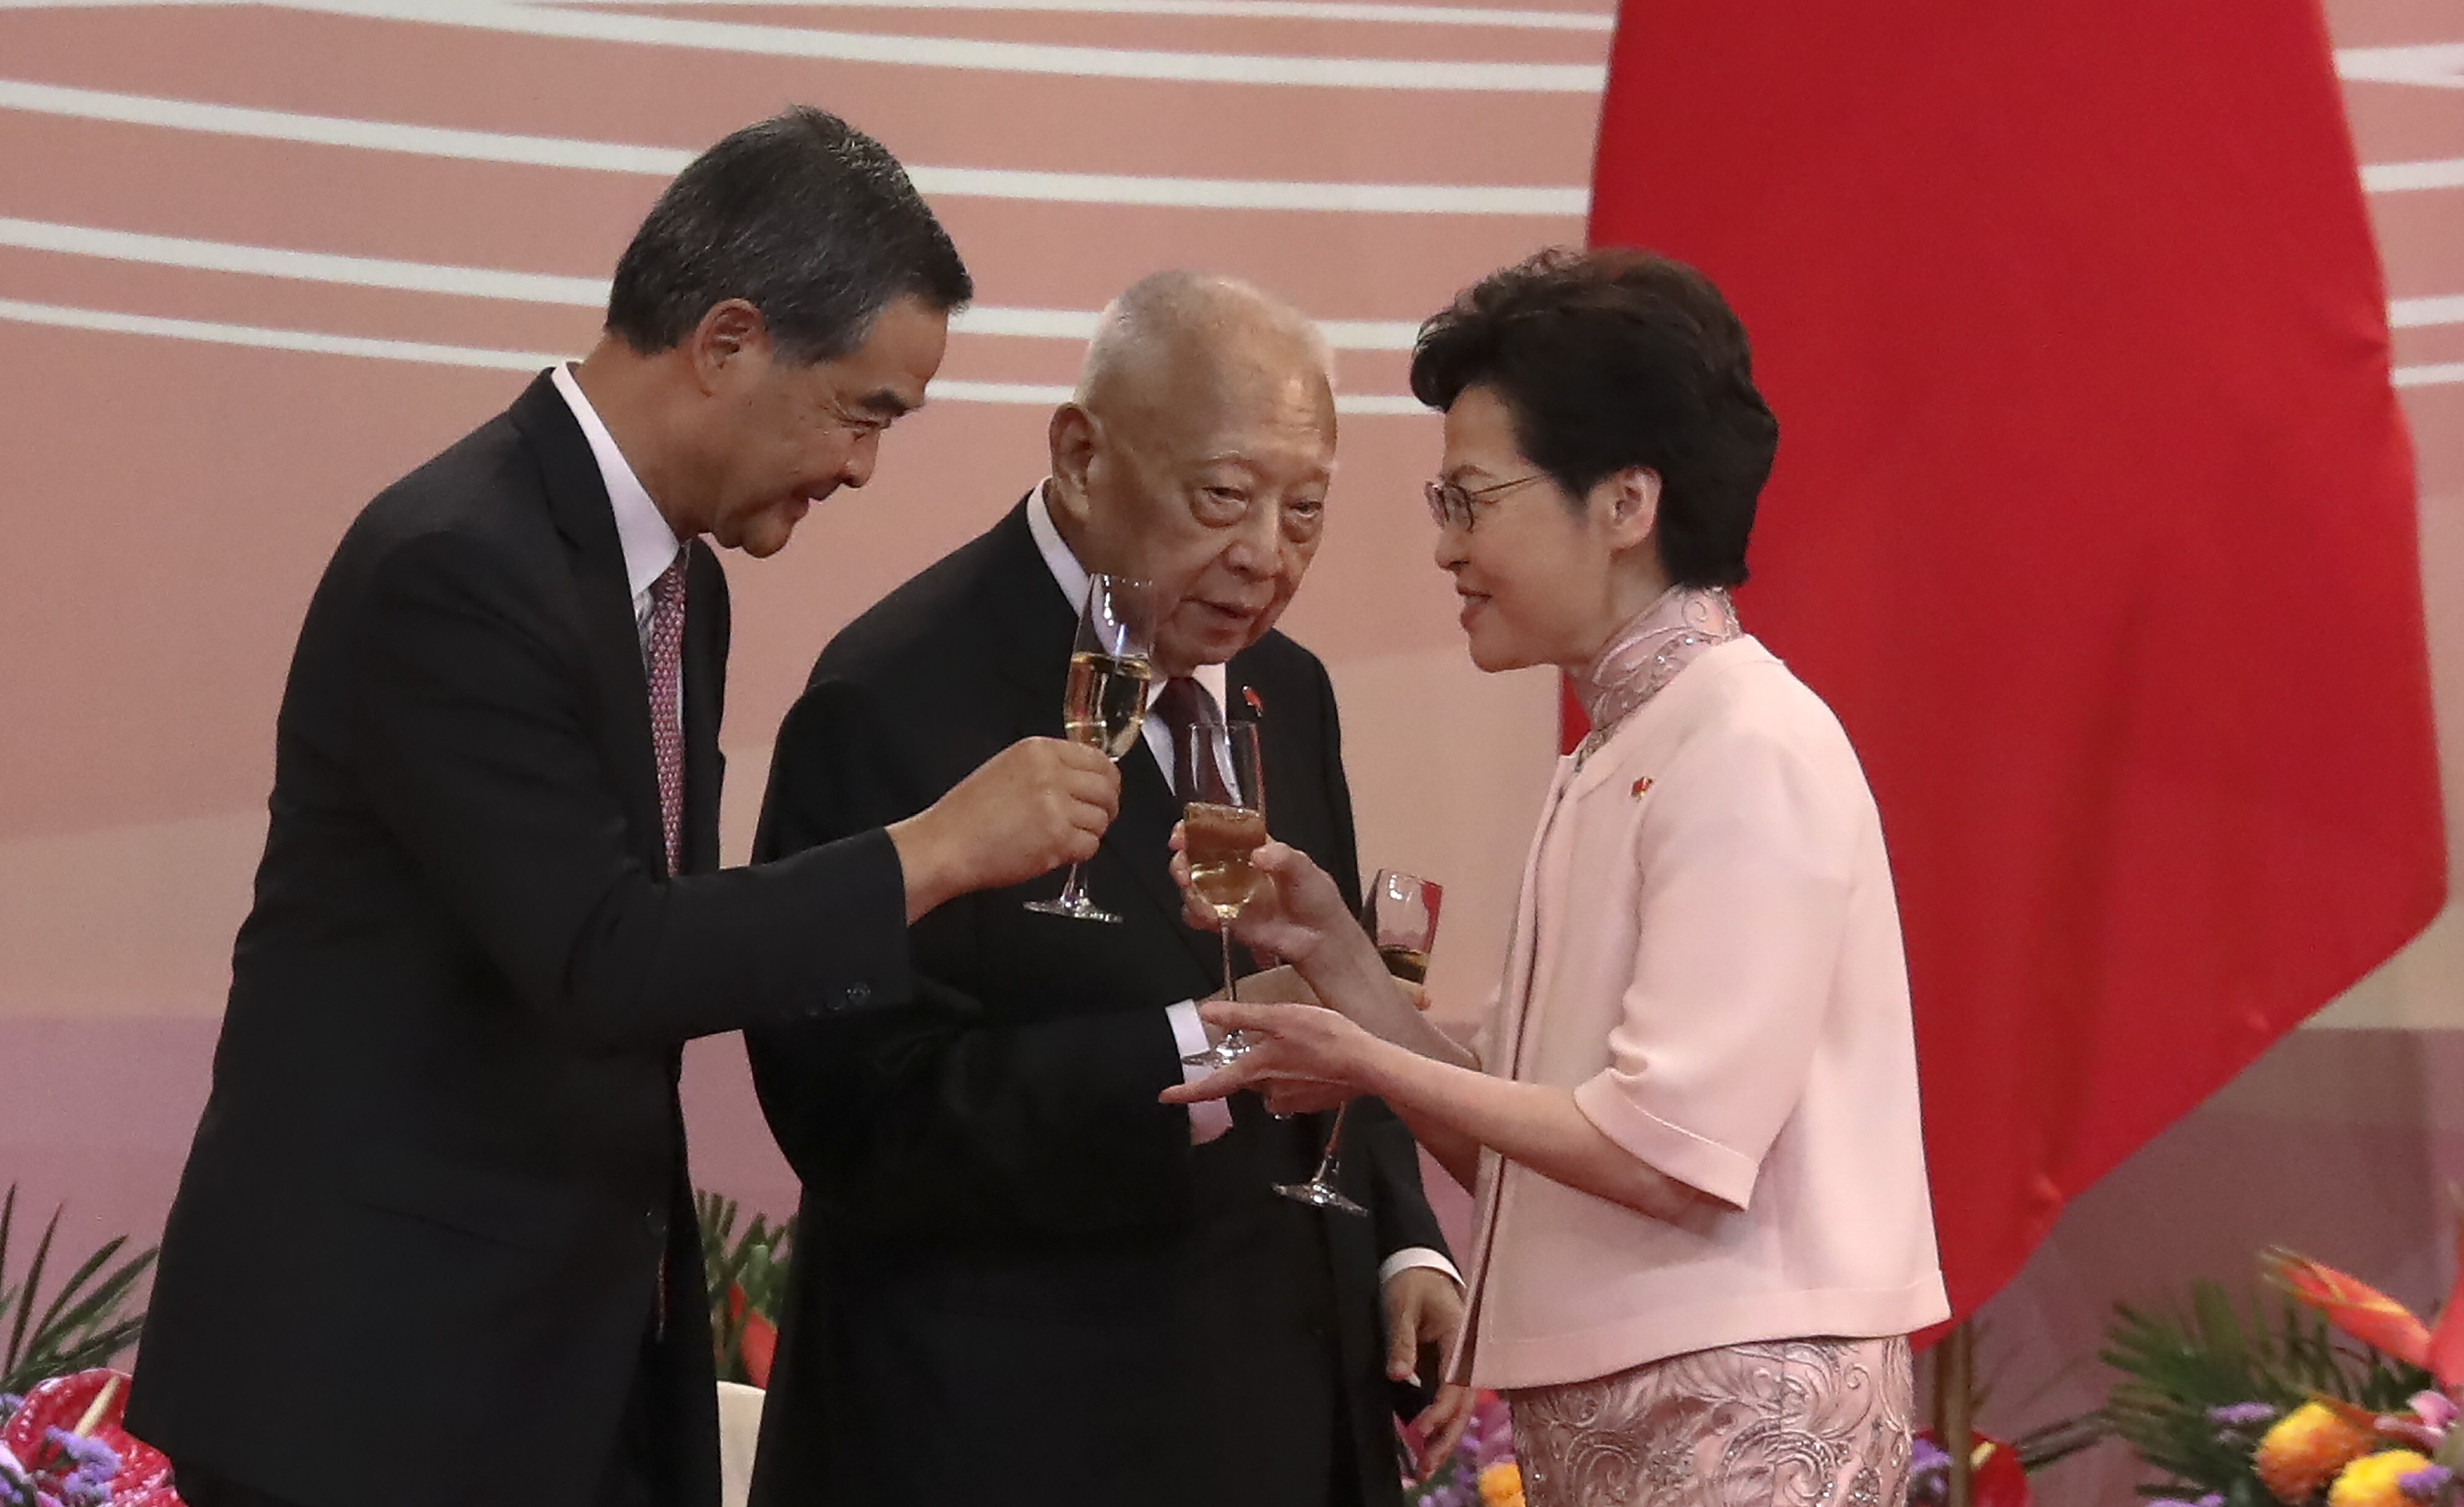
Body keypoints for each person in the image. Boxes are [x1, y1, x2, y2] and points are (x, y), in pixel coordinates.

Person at [124, 108, 1122, 1507]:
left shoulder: (675, 583)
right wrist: (932, 850)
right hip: (375, 1384)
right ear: (725, 343)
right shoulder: (456, 564)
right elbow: (602, 954)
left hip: (556, 1366)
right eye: (861, 411)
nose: (859, 468)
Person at [1163, 248, 1951, 1507]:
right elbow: (1537, 1153)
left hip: (1733, 1419)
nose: (1443, 548)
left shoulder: (1745, 742)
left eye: (1469, 499)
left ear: (1624, 501)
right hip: (1637, 1413)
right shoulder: (1624, 747)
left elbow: (1661, 1150)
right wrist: (1342, 964)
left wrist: (1361, 1055)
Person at [745, 270, 1465, 1507]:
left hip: (1284, 1420)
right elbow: (857, 1114)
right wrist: (1195, 1048)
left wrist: (1403, 1235)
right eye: (1222, 498)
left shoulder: (1284, 689)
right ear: (1080, 456)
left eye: (1305, 511)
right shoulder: (893, 696)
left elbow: (1330, 1000)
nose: (1264, 555)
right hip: (1017, 1437)